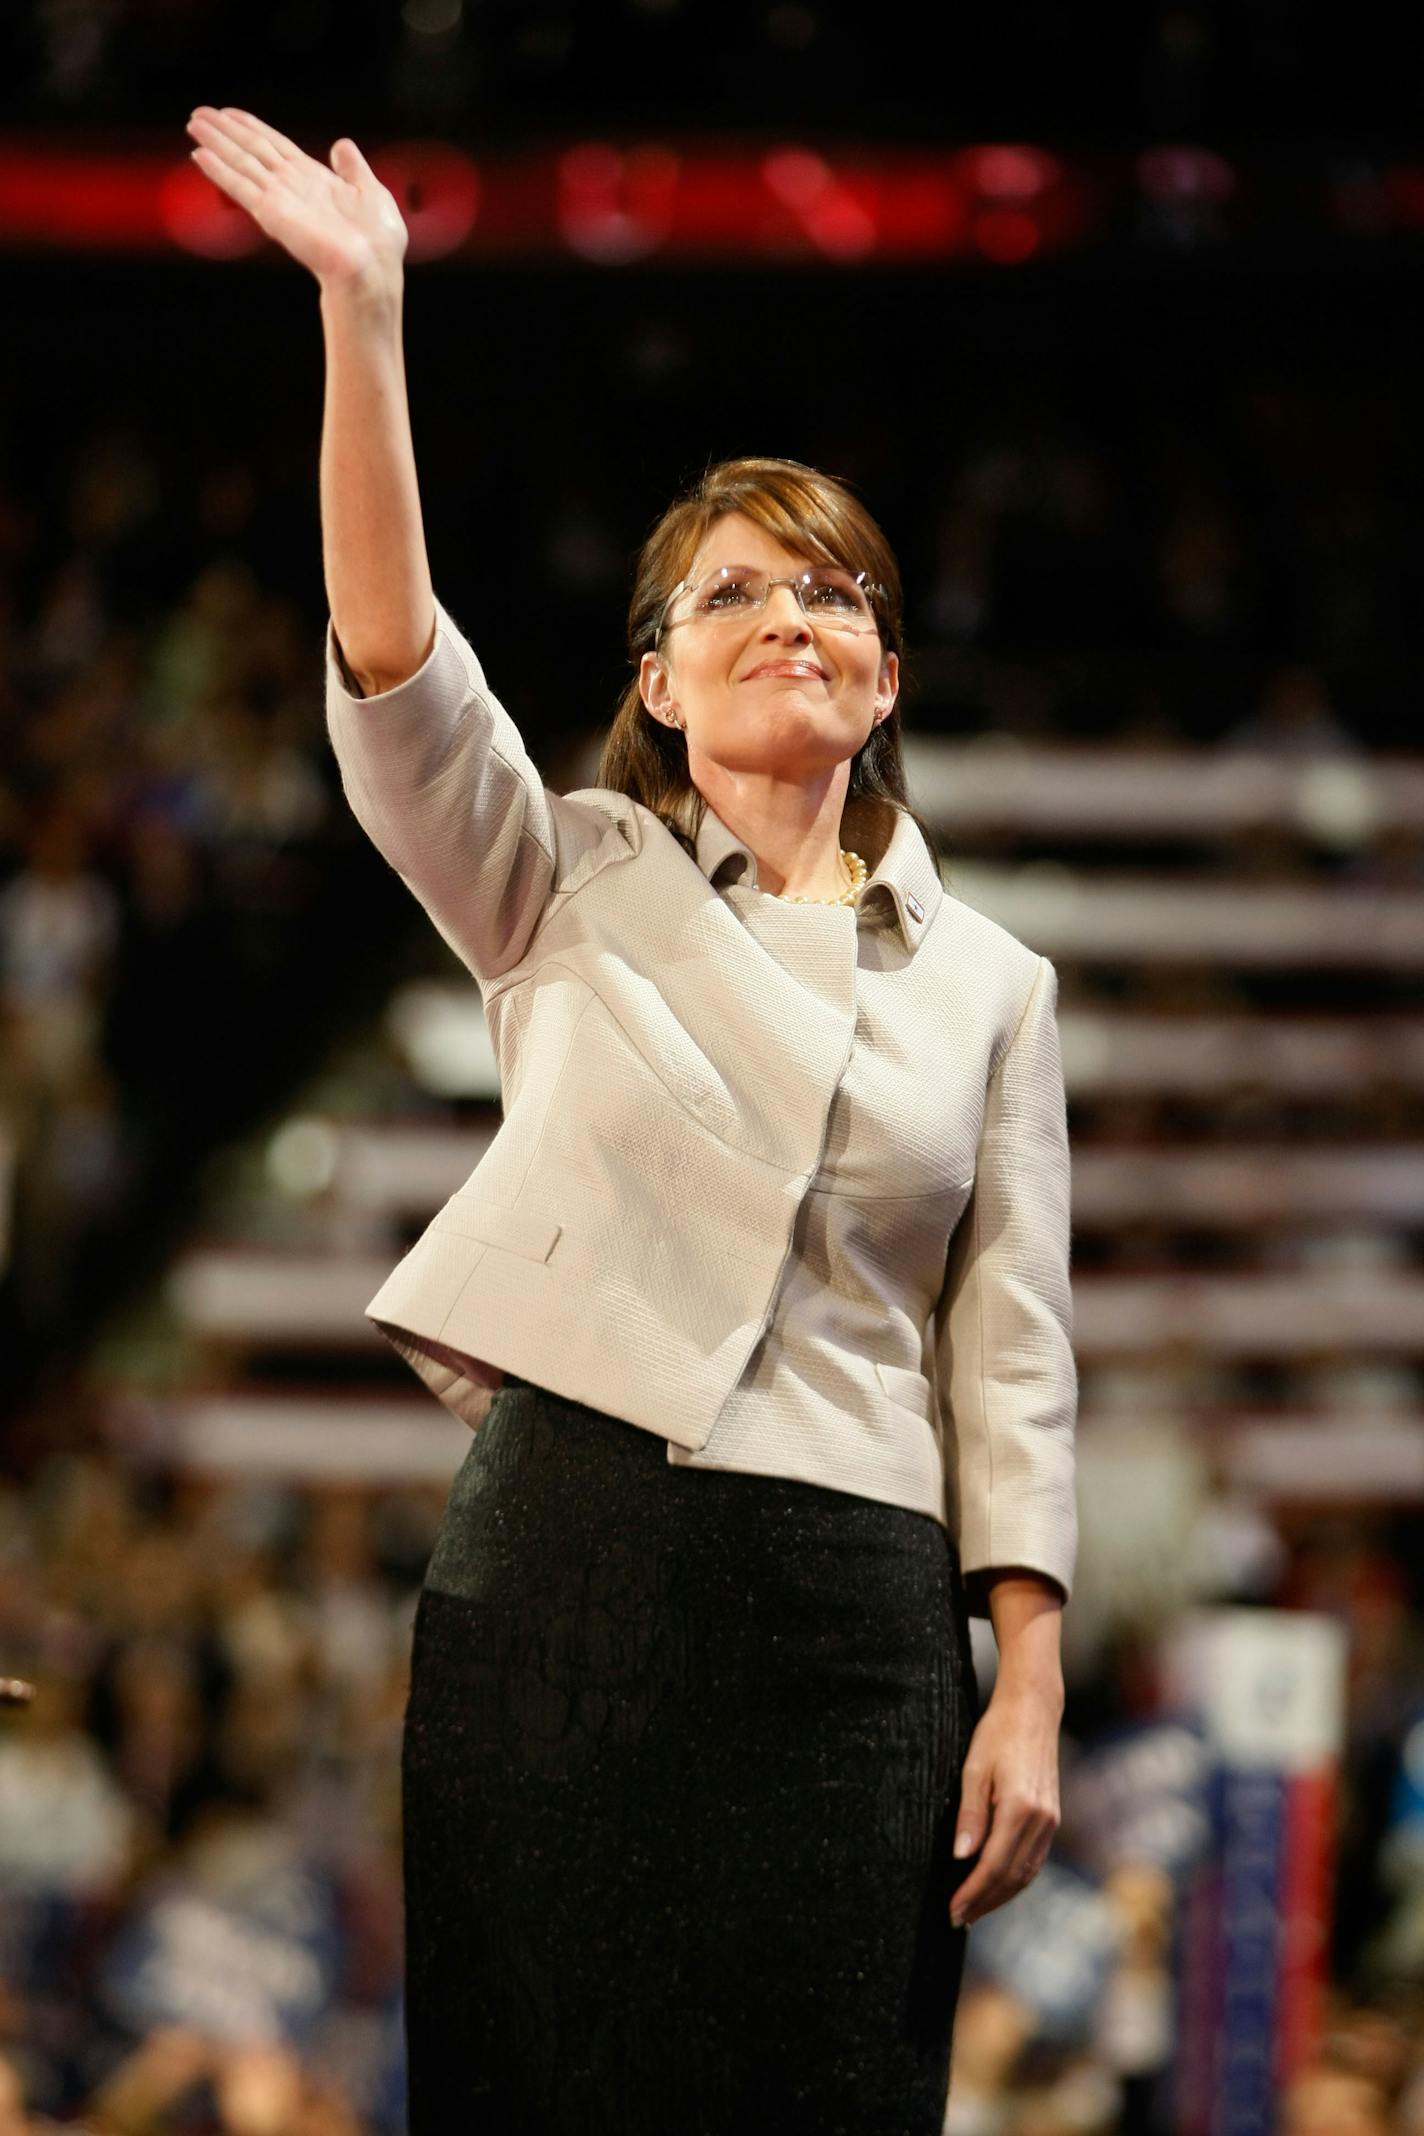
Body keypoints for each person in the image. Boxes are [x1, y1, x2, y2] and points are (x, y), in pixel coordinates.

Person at [185, 104, 1077, 2136]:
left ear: (884, 673)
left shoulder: (991, 988)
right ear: (656, 677)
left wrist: (1019, 1678)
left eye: (836, 591)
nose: (795, 612)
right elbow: (394, 657)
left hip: (859, 1618)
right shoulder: (557, 871)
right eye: (739, 589)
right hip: (569, 1572)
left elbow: (1006, 1361)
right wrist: (365, 314)